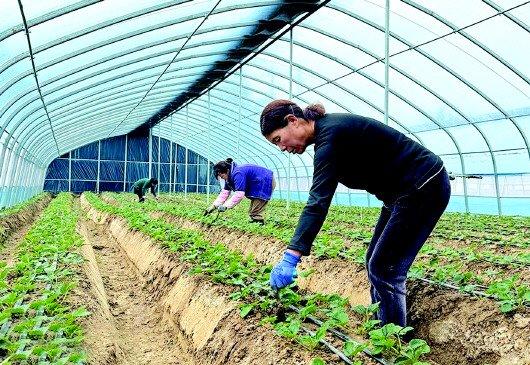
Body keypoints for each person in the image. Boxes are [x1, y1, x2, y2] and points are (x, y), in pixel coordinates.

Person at [260, 99, 451, 327]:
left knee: (385, 267)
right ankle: (380, 326)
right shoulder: (327, 136)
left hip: (423, 186)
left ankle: (393, 339)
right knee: (374, 260)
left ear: (292, 121)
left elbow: (318, 202)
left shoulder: (331, 136)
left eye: (278, 140)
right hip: (401, 194)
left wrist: (291, 256)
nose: (281, 148)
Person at [204, 158, 275, 224]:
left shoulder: (238, 173)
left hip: (265, 182)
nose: (223, 179)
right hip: (258, 183)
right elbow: (224, 193)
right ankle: (257, 224)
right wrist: (214, 206)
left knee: (255, 212)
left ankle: (259, 227)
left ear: (227, 171)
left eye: (222, 176)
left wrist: (225, 206)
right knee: (253, 211)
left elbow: (239, 194)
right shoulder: (229, 177)